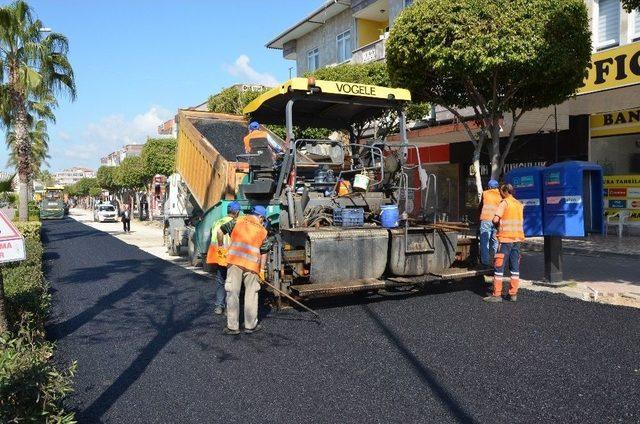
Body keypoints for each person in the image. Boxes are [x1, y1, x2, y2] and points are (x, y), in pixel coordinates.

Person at [220, 205, 271, 335]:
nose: (262, 221)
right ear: (260, 217)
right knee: (251, 294)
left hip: (234, 263)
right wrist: (262, 270)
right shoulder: (262, 231)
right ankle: (250, 325)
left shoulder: (237, 221)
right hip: (252, 266)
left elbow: (220, 232)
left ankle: (233, 327)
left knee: (232, 293)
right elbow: (264, 252)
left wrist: (221, 247)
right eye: (262, 219)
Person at [484, 184, 525, 303]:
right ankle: (513, 294)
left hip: (505, 239)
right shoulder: (518, 204)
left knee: (499, 266)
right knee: (514, 268)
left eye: (501, 191)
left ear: (505, 191)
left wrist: (495, 225)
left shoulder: (504, 203)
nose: (500, 193)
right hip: (517, 239)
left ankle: (496, 295)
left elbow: (495, 220)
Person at [205, 201, 241, 316]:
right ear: (237, 213)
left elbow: (213, 239)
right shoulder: (235, 223)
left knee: (220, 282)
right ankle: (228, 308)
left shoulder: (217, 222)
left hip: (220, 257)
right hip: (231, 257)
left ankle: (219, 307)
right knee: (231, 283)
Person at [478, 179, 502, 267]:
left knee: (484, 241)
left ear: (489, 187)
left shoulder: (485, 193)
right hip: (496, 220)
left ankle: (485, 262)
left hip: (486, 219)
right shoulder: (501, 195)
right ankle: (496, 262)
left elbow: (480, 206)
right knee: (495, 241)